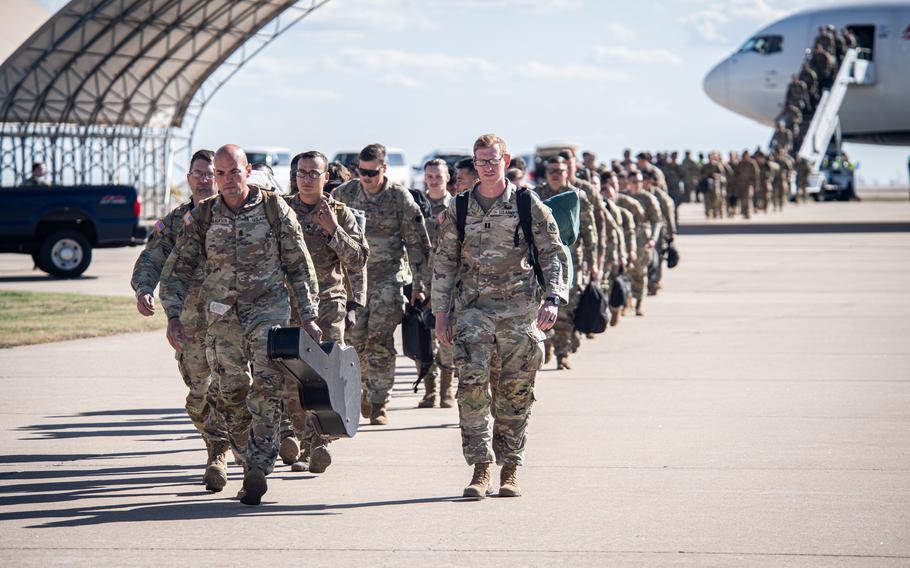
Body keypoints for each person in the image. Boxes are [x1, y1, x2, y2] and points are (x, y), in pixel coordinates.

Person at [160, 144, 320, 506]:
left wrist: (308, 315)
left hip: (268, 310)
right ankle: (249, 457)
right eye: (220, 174)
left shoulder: (272, 208)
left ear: (247, 171)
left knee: (267, 387)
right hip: (221, 316)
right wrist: (172, 316)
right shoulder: (203, 216)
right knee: (231, 393)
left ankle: (258, 470)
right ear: (213, 177)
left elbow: (298, 263)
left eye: (234, 172)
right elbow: (178, 269)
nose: (228, 181)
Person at [433, 134, 569, 499]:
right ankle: (481, 468)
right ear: (474, 165)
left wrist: (553, 298)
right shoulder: (460, 207)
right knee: (472, 389)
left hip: (519, 313)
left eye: (493, 160)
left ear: (505, 160)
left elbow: (554, 253)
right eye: (481, 161)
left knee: (515, 393)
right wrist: (440, 314)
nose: (488, 167)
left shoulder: (527, 204)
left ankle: (510, 468)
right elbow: (444, 263)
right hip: (473, 312)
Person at [131, 149, 229, 492]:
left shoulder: (236, 216)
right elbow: (151, 258)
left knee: (236, 385)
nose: (205, 179)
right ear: (188, 178)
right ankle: (217, 442)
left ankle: (225, 451)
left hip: (233, 320)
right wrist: (144, 288)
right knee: (199, 392)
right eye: (198, 173)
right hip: (190, 322)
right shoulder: (175, 221)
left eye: (210, 174)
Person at [280, 150, 369, 473]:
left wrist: (334, 231)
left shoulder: (340, 213)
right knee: (293, 377)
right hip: (289, 304)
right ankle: (303, 441)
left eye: (313, 173)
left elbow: (358, 259)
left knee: (325, 374)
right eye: (301, 173)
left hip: (329, 303)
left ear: (326, 177)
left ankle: (319, 441)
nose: (306, 179)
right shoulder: (281, 210)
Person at [333, 144, 431, 426]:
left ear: (384, 169)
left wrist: (419, 284)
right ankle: (364, 388)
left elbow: (417, 243)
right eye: (362, 171)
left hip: (387, 280)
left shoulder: (399, 197)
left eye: (372, 172)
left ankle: (379, 401)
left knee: (381, 342)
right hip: (353, 282)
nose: (366, 177)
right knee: (354, 340)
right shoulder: (345, 194)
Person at [534, 155, 598, 370]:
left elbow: (589, 230)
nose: (555, 174)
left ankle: (563, 352)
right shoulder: (536, 195)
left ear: (567, 172)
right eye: (551, 170)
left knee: (565, 306)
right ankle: (549, 341)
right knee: (542, 305)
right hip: (542, 260)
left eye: (559, 171)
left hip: (570, 259)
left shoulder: (577, 196)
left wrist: (593, 260)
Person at [417, 158, 456, 408]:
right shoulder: (417, 206)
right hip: (422, 280)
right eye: (430, 176)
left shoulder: (455, 206)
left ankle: (446, 390)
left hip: (448, 281)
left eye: (438, 176)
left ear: (447, 178)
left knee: (446, 338)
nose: (434, 180)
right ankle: (429, 390)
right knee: (422, 338)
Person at [620, 170, 662, 316]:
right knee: (626, 272)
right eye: (633, 182)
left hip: (643, 239)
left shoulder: (648, 199)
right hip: (626, 238)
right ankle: (627, 302)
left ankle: (639, 303)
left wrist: (653, 239)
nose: (636, 185)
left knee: (640, 272)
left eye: (639, 181)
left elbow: (657, 221)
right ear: (628, 182)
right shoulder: (623, 198)